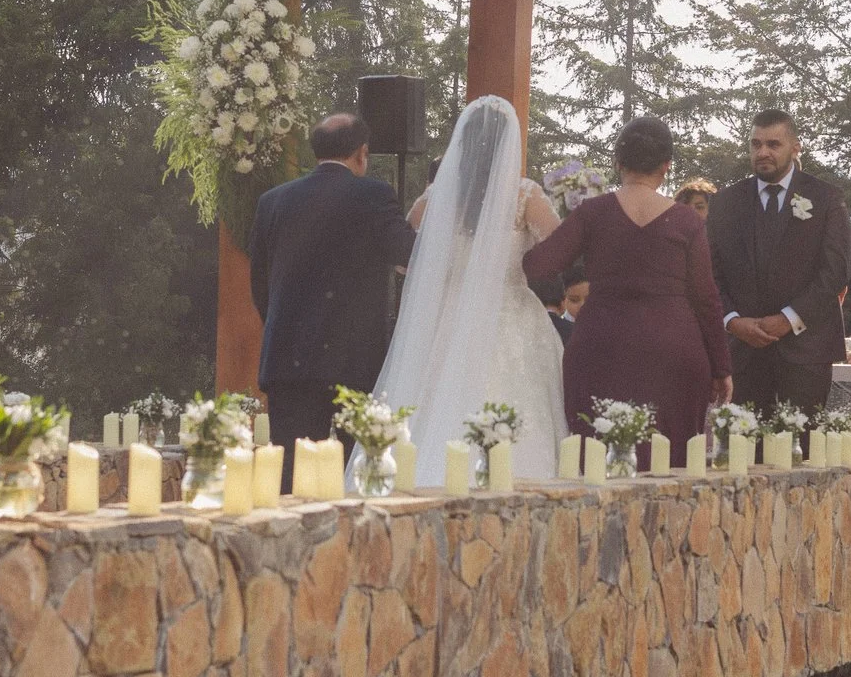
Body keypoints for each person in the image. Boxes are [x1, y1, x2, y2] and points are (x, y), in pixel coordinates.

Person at [376, 96, 567, 483]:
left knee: (436, 399)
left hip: (445, 317)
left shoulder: (437, 197)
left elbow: (404, 259)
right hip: (509, 312)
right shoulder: (525, 195)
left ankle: (425, 476)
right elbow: (561, 252)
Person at [524, 115, 732, 465]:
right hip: (673, 351)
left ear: (618, 162)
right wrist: (721, 366)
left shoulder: (592, 213)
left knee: (597, 459)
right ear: (666, 166)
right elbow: (706, 298)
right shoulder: (686, 222)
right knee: (670, 463)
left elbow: (540, 265)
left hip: (601, 347)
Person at [249, 113, 417, 492]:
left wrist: (287, 328)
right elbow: (409, 255)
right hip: (354, 360)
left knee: (290, 479)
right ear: (362, 153)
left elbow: (260, 285)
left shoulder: (272, 202)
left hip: (287, 359)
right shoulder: (372, 195)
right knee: (355, 479)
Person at [705, 108, 851, 416]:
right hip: (742, 351)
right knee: (742, 455)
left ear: (795, 147)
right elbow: (709, 273)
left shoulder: (825, 198)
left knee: (801, 452)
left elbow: (835, 271)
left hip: (805, 349)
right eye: (755, 144)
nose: (763, 152)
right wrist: (732, 321)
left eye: (773, 144)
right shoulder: (725, 202)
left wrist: (788, 318)